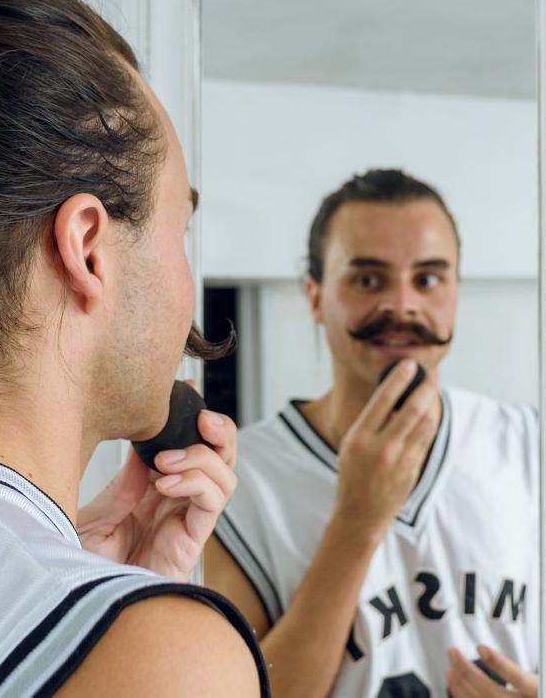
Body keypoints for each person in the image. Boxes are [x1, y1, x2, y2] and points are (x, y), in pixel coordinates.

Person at [0, 0, 269, 698]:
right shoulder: (170, 659)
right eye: (177, 228)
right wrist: (132, 629)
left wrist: (108, 595)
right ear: (87, 247)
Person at [205, 168, 538, 698]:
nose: (402, 305)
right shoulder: (235, 485)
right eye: (368, 280)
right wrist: (358, 520)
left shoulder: (528, 444)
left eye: (428, 279)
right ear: (315, 296)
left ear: (455, 292)